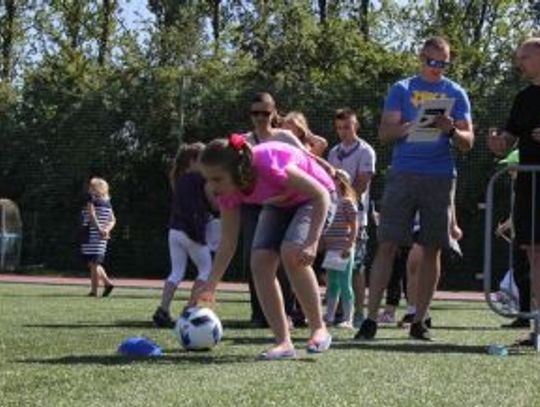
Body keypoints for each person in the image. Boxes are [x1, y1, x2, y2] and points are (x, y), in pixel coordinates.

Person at [356, 36, 474, 341]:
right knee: (387, 245)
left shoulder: (456, 92)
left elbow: (468, 142)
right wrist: (415, 124)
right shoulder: (402, 89)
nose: (436, 68)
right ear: (421, 59)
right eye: (431, 62)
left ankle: (420, 320)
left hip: (440, 176)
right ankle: (369, 319)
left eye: (443, 63)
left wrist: (452, 130)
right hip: (403, 173)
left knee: (433, 248)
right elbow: (384, 133)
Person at [192, 135, 336, 360]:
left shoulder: (268, 164)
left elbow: (321, 195)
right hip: (280, 202)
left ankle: (319, 329)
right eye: (207, 179)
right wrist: (210, 286)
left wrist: (311, 242)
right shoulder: (228, 193)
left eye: (217, 179)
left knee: (291, 253)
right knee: (259, 262)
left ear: (237, 171)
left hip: (315, 198)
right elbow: (228, 243)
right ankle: (283, 343)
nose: (211, 187)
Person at [488, 38, 540, 338]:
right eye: (519, 57)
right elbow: (509, 139)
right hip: (529, 187)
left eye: (526, 56)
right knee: (533, 254)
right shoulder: (523, 98)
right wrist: (499, 143)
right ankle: (537, 327)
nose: (521, 62)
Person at [241, 92, 306, 328]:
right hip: (253, 206)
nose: (260, 118)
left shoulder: (285, 137)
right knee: (254, 257)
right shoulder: (243, 141)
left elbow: (307, 159)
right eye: (255, 113)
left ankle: (287, 312)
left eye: (265, 113)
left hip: (283, 205)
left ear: (274, 113)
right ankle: (260, 314)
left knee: (282, 259)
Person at [152, 142, 217, 328]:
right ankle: (190, 309)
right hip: (191, 231)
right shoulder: (201, 179)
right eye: (203, 160)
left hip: (174, 230)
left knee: (176, 272)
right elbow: (212, 204)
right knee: (207, 270)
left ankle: (162, 310)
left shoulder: (179, 179)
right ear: (193, 161)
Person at [327, 108, 376, 328]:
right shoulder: (334, 152)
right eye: (339, 128)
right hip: (333, 220)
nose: (343, 131)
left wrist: (345, 202)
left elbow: (362, 182)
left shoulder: (366, 151)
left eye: (347, 127)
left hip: (356, 218)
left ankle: (357, 313)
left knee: (356, 267)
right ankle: (338, 313)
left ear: (356, 126)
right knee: (334, 268)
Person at [322, 169, 358, 329]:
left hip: (343, 247)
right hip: (331, 248)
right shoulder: (331, 201)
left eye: (335, 178)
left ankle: (348, 319)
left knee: (345, 283)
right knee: (332, 284)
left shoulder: (347, 201)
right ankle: (329, 316)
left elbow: (354, 225)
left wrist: (349, 244)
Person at [81, 177, 116, 297]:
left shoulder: (91, 200)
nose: (89, 189)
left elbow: (92, 215)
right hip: (102, 236)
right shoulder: (108, 202)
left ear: (97, 189)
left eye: (91, 187)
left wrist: (99, 229)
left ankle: (94, 291)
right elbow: (113, 220)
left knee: (93, 264)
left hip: (91, 234)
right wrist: (107, 229)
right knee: (94, 263)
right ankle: (107, 283)